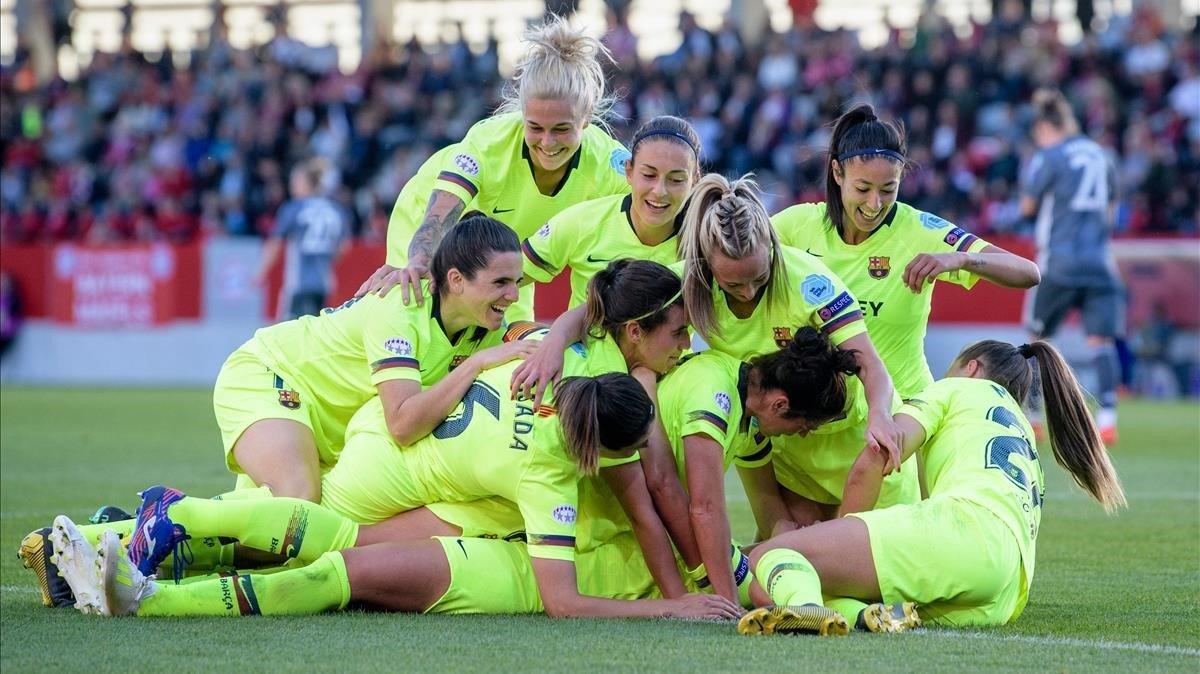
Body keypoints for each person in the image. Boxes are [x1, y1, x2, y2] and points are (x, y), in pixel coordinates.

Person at [52, 372, 742, 621]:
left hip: (400, 451)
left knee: (335, 555)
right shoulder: (548, 476)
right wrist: (672, 609)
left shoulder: (541, 363)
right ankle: (154, 565)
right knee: (333, 560)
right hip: (481, 541)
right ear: (606, 452)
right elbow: (562, 600)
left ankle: (144, 533)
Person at [740, 339, 1126, 636]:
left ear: (971, 367)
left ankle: (806, 609)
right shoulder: (1023, 430)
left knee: (769, 558)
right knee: (829, 578)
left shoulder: (954, 389)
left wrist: (837, 531)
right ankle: (861, 614)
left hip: (962, 531)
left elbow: (877, 454)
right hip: (1006, 586)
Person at [358, 15, 632, 320]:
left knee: (511, 344)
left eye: (562, 129)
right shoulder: (489, 141)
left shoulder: (612, 165)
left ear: (586, 118)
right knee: (423, 322)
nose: (547, 142)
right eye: (535, 127)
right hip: (430, 222)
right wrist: (420, 261)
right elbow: (438, 216)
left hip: (507, 253)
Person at [771, 103, 1040, 400]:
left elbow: (1028, 272)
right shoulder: (798, 225)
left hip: (900, 415)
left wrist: (959, 258)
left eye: (888, 189)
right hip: (820, 415)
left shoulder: (919, 230)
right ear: (837, 173)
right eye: (862, 189)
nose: (875, 204)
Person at [1019, 88, 1123, 444]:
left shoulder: (1051, 156)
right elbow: (1112, 210)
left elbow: (1028, 208)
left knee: (1037, 338)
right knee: (1101, 340)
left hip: (1059, 262)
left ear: (1047, 127)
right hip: (1099, 262)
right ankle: (1107, 419)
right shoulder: (1102, 154)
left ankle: (1033, 418)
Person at [521, 115, 701, 308]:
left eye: (676, 180)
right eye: (649, 175)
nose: (659, 191)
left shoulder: (706, 242)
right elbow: (502, 281)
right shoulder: (582, 221)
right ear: (629, 172)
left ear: (695, 181)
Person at [255, 157, 351, 320]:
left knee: (288, 335)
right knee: (315, 335)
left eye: (295, 180)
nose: (292, 185)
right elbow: (344, 247)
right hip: (324, 284)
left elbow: (275, 244)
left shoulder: (294, 208)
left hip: (298, 284)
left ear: (307, 183)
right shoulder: (336, 209)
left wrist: (260, 273)